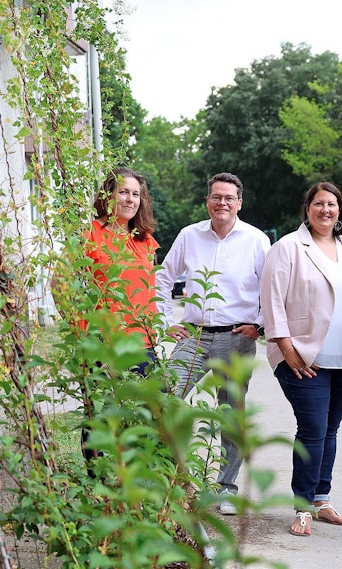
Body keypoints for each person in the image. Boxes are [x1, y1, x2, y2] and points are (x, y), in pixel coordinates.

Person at [261, 182, 342, 537]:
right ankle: (302, 507)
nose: (325, 210)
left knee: (330, 430)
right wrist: (286, 349)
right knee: (312, 430)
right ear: (307, 209)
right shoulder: (288, 247)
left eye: (332, 204)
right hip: (304, 356)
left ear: (340, 211)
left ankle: (321, 499)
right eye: (318, 204)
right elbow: (272, 300)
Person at [155, 172, 270, 515]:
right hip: (194, 334)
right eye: (216, 197)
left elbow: (272, 287)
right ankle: (162, 480)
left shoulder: (256, 240)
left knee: (231, 413)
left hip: (237, 338)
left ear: (239, 203)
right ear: (207, 201)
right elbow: (163, 276)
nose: (222, 203)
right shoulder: (190, 236)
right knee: (164, 398)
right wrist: (165, 323)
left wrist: (260, 325)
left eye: (229, 198)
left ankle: (226, 487)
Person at [80, 167, 159, 462]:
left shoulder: (144, 239)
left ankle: (136, 493)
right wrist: (84, 329)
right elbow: (61, 283)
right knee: (100, 419)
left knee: (144, 421)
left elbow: (149, 288)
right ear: (108, 194)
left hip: (143, 344)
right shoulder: (90, 233)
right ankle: (98, 490)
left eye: (136, 194)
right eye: (123, 192)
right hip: (104, 344)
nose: (130, 199)